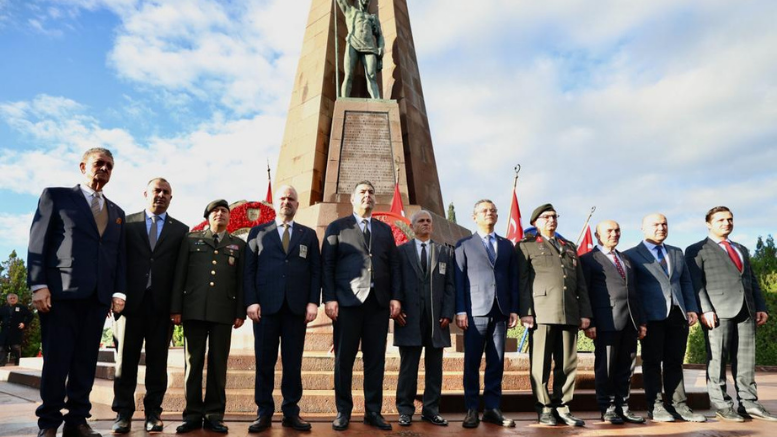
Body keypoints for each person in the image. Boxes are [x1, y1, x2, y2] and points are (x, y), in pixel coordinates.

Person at [27, 147, 126, 437]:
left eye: (109, 165)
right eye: (99, 163)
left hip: (98, 298)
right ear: (83, 166)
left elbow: (118, 256)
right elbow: (38, 242)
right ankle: (48, 423)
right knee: (57, 361)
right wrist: (38, 284)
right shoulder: (56, 197)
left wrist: (118, 292)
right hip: (60, 295)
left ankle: (77, 420)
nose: (104, 168)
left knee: (85, 363)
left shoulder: (116, 213)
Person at [110, 178, 189, 434]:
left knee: (158, 363)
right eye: (157, 190)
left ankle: (153, 412)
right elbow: (117, 260)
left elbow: (181, 272)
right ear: (146, 193)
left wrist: (177, 307)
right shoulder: (127, 223)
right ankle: (123, 413)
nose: (161, 195)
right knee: (125, 362)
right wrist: (116, 294)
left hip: (161, 308)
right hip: (129, 305)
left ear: (171, 198)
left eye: (166, 192)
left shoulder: (181, 230)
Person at [322, 180, 402, 431]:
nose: (367, 195)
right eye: (362, 192)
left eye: (371, 192)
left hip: (378, 304)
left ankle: (373, 411)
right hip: (347, 302)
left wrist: (395, 297)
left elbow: (394, 265)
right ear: (353, 199)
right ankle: (343, 411)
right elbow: (327, 265)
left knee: (375, 360)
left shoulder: (384, 230)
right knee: (344, 359)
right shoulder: (337, 227)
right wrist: (330, 298)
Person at [686, 206, 775, 422]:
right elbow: (696, 283)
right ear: (708, 224)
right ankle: (722, 405)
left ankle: (749, 403)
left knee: (745, 360)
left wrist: (760, 306)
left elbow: (751, 279)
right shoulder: (696, 249)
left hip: (746, 310)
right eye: (721, 220)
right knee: (717, 360)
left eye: (729, 219)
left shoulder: (741, 248)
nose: (727, 223)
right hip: (717, 312)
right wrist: (705, 309)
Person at [243, 185, 321, 432]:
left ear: (297, 205)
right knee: (264, 362)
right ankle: (264, 412)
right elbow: (249, 271)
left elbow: (315, 271)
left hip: (296, 309)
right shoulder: (258, 233)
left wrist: (313, 302)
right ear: (275, 204)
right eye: (282, 198)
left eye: (291, 199)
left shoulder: (308, 235)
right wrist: (251, 301)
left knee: (293, 363)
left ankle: (291, 411)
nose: (286, 202)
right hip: (265, 309)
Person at [170, 200, 246, 434]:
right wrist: (176, 308)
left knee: (218, 363)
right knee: (193, 363)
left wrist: (240, 312)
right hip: (193, 309)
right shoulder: (191, 239)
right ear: (208, 216)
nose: (220, 214)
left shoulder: (238, 245)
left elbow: (241, 281)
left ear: (229, 217)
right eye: (215, 211)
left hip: (223, 311)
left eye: (224, 211)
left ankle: (214, 414)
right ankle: (192, 414)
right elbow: (179, 274)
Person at [625, 213, 705, 423]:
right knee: (652, 363)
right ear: (642, 228)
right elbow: (633, 290)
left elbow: (685, 282)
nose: (661, 227)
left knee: (675, 362)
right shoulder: (630, 255)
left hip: (678, 315)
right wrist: (640, 319)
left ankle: (679, 405)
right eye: (655, 224)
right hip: (651, 317)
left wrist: (691, 308)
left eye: (664, 224)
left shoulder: (676, 252)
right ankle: (656, 406)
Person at [517, 204, 591, 427]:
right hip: (541, 313)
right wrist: (526, 312)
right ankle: (544, 407)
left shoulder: (569, 246)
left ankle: (562, 406)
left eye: (554, 216)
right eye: (546, 217)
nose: (551, 220)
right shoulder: (526, 245)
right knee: (540, 364)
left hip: (569, 312)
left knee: (567, 364)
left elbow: (580, 283)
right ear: (535, 222)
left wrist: (585, 313)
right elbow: (522, 281)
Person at [454, 199, 519, 429]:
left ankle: (492, 408)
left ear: (497, 216)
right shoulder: (463, 245)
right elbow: (458, 279)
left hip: (500, 311)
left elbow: (513, 279)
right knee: (472, 362)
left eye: (493, 210)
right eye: (484, 210)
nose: (489, 213)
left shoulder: (507, 245)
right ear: (474, 217)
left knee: (496, 362)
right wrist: (460, 309)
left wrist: (514, 308)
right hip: (474, 312)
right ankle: (472, 409)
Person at [580, 220, 647, 424]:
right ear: (597, 235)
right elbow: (584, 292)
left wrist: (641, 321)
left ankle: (623, 406)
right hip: (605, 322)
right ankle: (607, 408)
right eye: (609, 231)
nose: (614, 234)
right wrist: (590, 321)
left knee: (626, 367)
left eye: (617, 230)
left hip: (630, 321)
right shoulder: (588, 259)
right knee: (606, 368)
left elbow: (635, 291)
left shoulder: (626, 259)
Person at [394, 210, 455, 427]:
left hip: (437, 320)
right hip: (408, 318)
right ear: (412, 226)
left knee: (435, 368)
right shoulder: (401, 252)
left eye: (429, 221)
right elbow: (396, 281)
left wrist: (448, 312)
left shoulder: (444, 252)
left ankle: (431, 410)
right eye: (421, 221)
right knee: (408, 367)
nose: (426, 224)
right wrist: (397, 305)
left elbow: (450, 285)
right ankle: (405, 410)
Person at [335, 0, 385, 98]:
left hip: (369, 47)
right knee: (348, 75)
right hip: (353, 43)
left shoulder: (373, 18)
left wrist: (381, 47)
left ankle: (377, 101)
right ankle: (344, 101)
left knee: (372, 76)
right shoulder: (351, 11)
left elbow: (379, 36)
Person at [0, 293, 33, 366]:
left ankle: (18, 363)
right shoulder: (3, 308)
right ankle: (1, 364)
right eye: (11, 298)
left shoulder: (21, 307)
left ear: (17, 299)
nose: (12, 299)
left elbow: (30, 316)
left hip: (16, 331)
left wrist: (24, 323)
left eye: (14, 298)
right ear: (7, 299)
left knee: (15, 347)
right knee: (2, 348)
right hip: (5, 331)